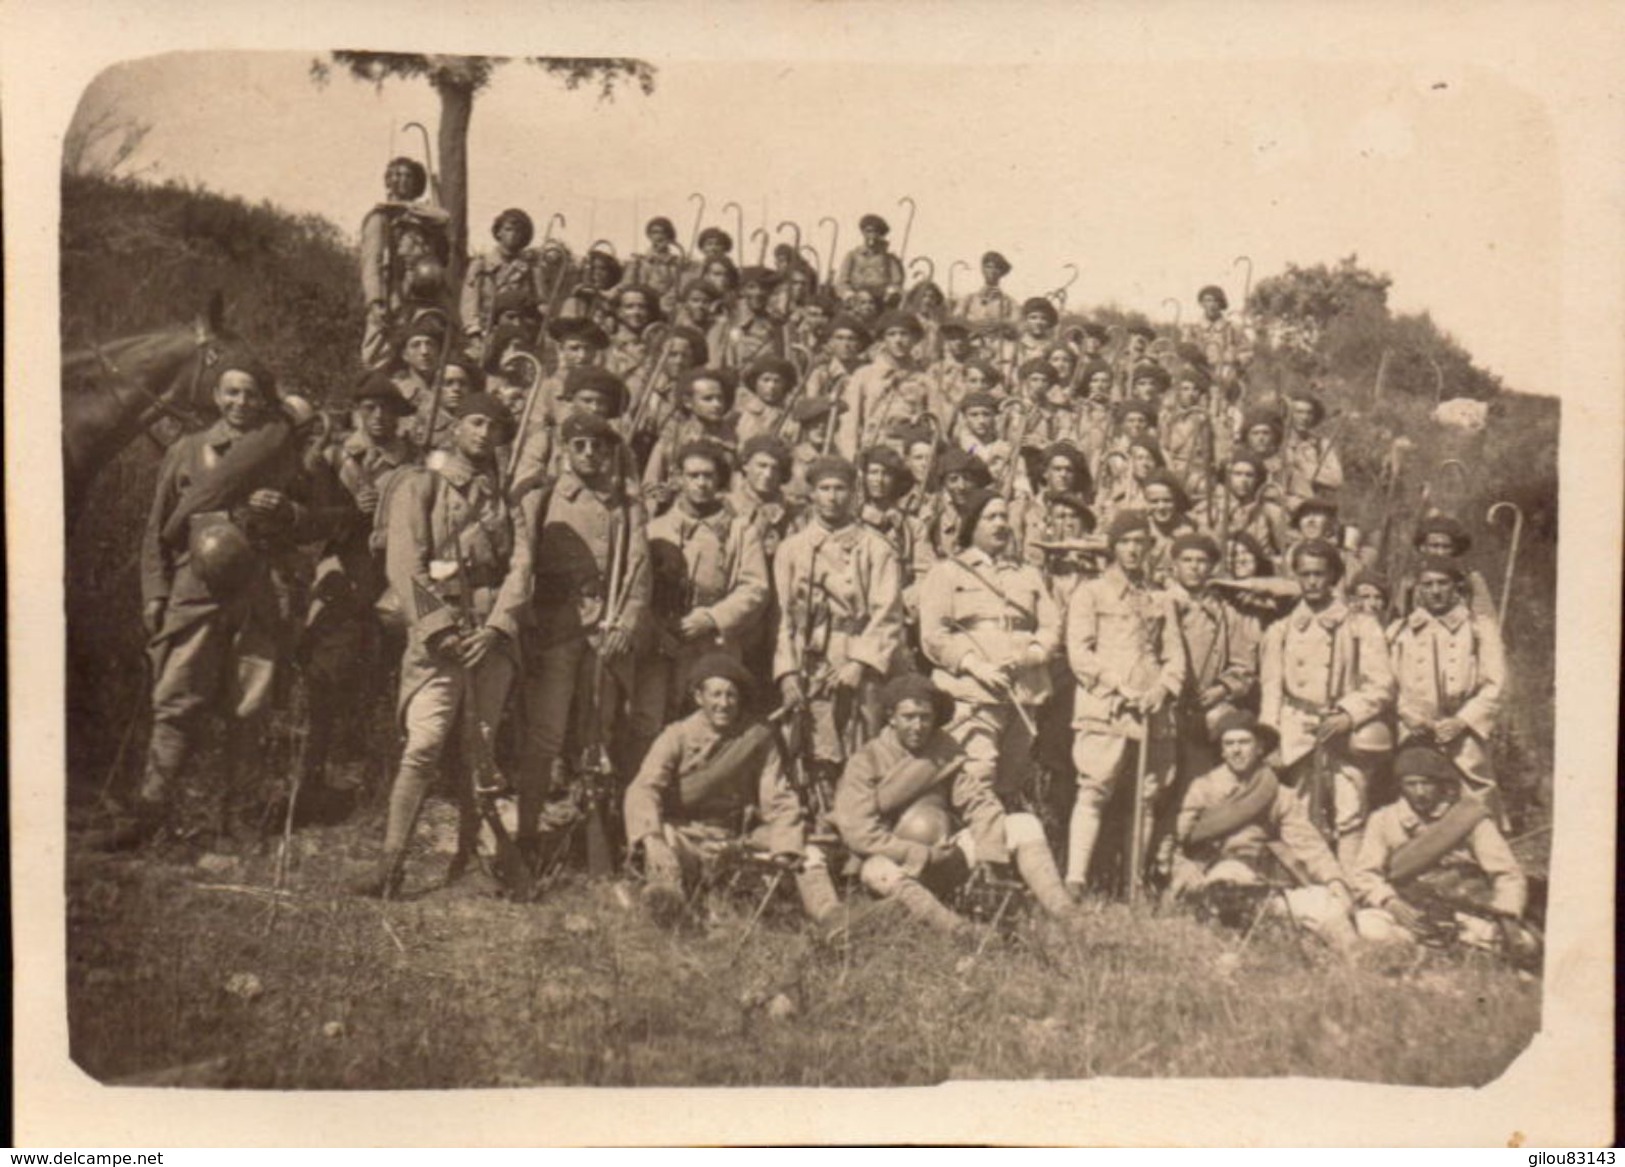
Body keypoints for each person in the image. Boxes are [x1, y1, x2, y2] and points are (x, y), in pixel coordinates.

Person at [124, 365, 336, 848]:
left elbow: (323, 520)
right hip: (192, 593)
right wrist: (155, 594)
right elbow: (157, 530)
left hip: (259, 595)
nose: (241, 403)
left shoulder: (287, 455)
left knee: (250, 707)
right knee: (174, 700)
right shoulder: (186, 450)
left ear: (265, 400)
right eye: (231, 393)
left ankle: (236, 819)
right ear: (216, 397)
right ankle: (150, 812)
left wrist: (287, 511)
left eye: (251, 394)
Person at [352, 393, 532, 896]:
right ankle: (391, 865)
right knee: (424, 745)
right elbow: (404, 561)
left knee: (481, 747)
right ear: (455, 427)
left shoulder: (506, 496)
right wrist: (439, 629)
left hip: (490, 638)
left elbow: (521, 567)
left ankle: (471, 859)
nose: (483, 433)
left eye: (494, 426)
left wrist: (497, 628)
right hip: (441, 636)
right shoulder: (421, 484)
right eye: (475, 422)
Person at [831, 675, 1084, 937]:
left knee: (1023, 824)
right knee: (877, 870)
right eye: (909, 716)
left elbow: (979, 802)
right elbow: (859, 832)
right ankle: (961, 931)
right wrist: (920, 854)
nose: (918, 726)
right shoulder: (865, 762)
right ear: (891, 717)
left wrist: (989, 852)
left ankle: (1067, 914)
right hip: (898, 861)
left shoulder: (942, 751)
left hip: (945, 855)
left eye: (925, 717)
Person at [510, 410, 651, 855]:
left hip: (606, 632)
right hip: (558, 631)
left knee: (599, 736)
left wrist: (626, 622)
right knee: (547, 734)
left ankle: (597, 834)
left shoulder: (627, 506)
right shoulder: (544, 498)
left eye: (599, 447)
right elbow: (523, 564)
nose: (589, 454)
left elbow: (639, 570)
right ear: (565, 451)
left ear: (611, 453)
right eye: (580, 446)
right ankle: (529, 833)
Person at [624, 653, 842, 928]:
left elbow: (778, 796)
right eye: (715, 695)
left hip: (734, 841)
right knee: (663, 841)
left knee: (806, 849)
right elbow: (644, 788)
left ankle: (831, 916)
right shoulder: (676, 736)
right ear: (698, 697)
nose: (723, 704)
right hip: (686, 837)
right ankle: (670, 907)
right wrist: (651, 838)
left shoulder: (757, 738)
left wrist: (786, 845)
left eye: (731, 696)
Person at [1063, 509, 1186, 894]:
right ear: (1113, 547)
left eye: (1141, 542)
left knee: (1148, 795)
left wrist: (1162, 689)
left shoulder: (1159, 598)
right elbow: (1079, 653)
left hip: (1152, 710)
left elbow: (1175, 656)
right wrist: (1119, 687)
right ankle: (1076, 881)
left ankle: (1132, 882)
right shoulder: (1091, 592)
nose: (1134, 550)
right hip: (1106, 707)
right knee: (1095, 788)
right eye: (1126, 542)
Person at [773, 455, 906, 809]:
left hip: (860, 656)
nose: (832, 497)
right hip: (811, 659)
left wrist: (859, 664)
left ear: (854, 493)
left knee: (861, 745)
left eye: (840, 489)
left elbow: (888, 613)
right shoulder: (792, 549)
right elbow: (783, 617)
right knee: (815, 749)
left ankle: (861, 825)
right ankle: (819, 825)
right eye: (824, 489)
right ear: (812, 494)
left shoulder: (876, 548)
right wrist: (787, 673)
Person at [1258, 539, 1396, 872]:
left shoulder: (1360, 624)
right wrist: (1271, 736)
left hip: (1344, 730)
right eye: (1305, 574)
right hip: (1297, 728)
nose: (1312, 582)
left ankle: (1352, 880)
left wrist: (1349, 714)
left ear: (1333, 575)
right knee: (1299, 811)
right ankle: (1307, 881)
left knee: (1350, 808)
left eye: (1320, 574)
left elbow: (1382, 684)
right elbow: (1271, 688)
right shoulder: (1282, 629)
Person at [919, 489, 1061, 811]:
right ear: (972, 526)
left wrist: (1033, 654)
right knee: (977, 777)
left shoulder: (1028, 574)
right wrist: (974, 665)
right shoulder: (947, 572)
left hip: (1024, 692)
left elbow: (1052, 626)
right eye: (990, 517)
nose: (1000, 524)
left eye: (1003, 517)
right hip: (972, 693)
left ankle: (1005, 854)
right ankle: (975, 855)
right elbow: (933, 635)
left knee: (1012, 782)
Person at [1170, 711, 1358, 954]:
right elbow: (1179, 843)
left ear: (1259, 748)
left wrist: (1334, 879)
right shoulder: (1203, 789)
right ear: (1222, 751)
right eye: (1229, 744)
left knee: (1327, 907)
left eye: (1244, 742)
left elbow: (1307, 843)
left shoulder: (1276, 793)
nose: (1237, 750)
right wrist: (1185, 877)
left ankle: (1358, 960)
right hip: (1211, 877)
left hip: (1262, 882)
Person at [632, 441, 770, 768]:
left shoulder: (740, 531)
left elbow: (755, 588)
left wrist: (711, 618)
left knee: (708, 723)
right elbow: (637, 589)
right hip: (661, 644)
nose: (701, 483)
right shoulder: (654, 530)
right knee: (648, 720)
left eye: (709, 476)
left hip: (713, 644)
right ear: (678, 478)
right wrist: (657, 629)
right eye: (693, 475)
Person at [1350, 746, 1530, 957]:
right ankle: (1428, 948)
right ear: (1401, 786)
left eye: (1426, 783)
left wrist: (1507, 914)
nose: (1419, 792)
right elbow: (1365, 874)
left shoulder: (1467, 818)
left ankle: (1441, 948)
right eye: (1411, 784)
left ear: (1441, 786)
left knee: (1525, 945)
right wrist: (1390, 902)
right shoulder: (1383, 820)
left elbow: (1507, 872)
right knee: (1370, 926)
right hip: (1408, 910)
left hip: (1463, 908)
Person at [1387, 554, 1506, 798]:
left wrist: (1461, 722)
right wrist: (1409, 715)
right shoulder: (1400, 631)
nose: (1436, 591)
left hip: (1463, 730)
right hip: (1415, 730)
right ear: (1418, 588)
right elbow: (1388, 683)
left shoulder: (1478, 628)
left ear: (1456, 587)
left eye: (1443, 583)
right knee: (1417, 792)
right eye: (1428, 584)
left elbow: (1495, 685)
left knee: (1475, 798)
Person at [1162, 533, 1261, 803]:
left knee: (1198, 784)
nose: (1194, 567)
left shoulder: (1225, 611)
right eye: (1187, 560)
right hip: (1165, 707)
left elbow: (1243, 664)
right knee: (1159, 782)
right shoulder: (1159, 603)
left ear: (1212, 567)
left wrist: (1222, 689)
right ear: (1174, 565)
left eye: (1201, 561)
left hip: (1204, 709)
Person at [358, 156, 451, 368]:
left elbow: (443, 257)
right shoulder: (381, 217)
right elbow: (371, 263)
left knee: (430, 351)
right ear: (388, 180)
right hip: (394, 295)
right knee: (380, 356)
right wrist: (375, 301)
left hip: (426, 298)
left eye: (408, 176)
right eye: (396, 175)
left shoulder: (427, 220)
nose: (402, 180)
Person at [835, 310, 926, 460]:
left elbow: (935, 428)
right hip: (872, 454)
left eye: (904, 334)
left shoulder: (924, 379)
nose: (898, 340)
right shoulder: (863, 376)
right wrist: (852, 460)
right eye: (891, 334)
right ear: (883, 340)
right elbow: (849, 425)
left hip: (908, 457)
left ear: (915, 339)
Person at [461, 208, 545, 350]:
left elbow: (541, 302)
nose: (512, 235)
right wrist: (474, 333)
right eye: (508, 229)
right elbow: (469, 302)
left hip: (520, 334)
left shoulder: (531, 269)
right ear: (498, 232)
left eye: (518, 231)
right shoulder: (481, 265)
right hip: (486, 332)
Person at [1279, 391, 1344, 510]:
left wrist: (1303, 464)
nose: (1304, 418)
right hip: (1280, 505)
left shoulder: (1321, 445)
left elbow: (1336, 479)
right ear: (1288, 414)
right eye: (1299, 412)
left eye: (1309, 413)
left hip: (1311, 506)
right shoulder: (1276, 442)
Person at [720, 266, 785, 371]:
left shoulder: (777, 325)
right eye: (752, 287)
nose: (758, 292)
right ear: (742, 290)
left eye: (764, 288)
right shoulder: (728, 320)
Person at [836, 213, 905, 306]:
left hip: (881, 302)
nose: (872, 235)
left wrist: (891, 293)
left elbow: (897, 282)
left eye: (876, 232)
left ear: (881, 235)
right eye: (868, 231)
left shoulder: (890, 259)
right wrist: (848, 295)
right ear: (863, 233)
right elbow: (842, 281)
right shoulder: (852, 256)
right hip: (856, 301)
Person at [623, 216, 687, 314]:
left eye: (663, 232)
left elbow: (680, 287)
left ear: (669, 236)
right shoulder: (639, 261)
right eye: (654, 232)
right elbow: (627, 285)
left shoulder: (677, 262)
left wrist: (666, 301)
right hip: (642, 308)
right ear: (649, 236)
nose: (659, 237)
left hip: (668, 308)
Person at [734, 356, 798, 446]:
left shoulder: (791, 412)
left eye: (777, 381)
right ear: (754, 382)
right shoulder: (744, 412)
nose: (771, 386)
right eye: (766, 380)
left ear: (785, 384)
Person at [957, 250, 1016, 327]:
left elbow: (1017, 326)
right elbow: (956, 321)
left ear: (1001, 272)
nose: (992, 271)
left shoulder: (1009, 303)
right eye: (988, 267)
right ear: (982, 270)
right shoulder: (969, 299)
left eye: (996, 268)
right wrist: (974, 324)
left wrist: (1002, 323)